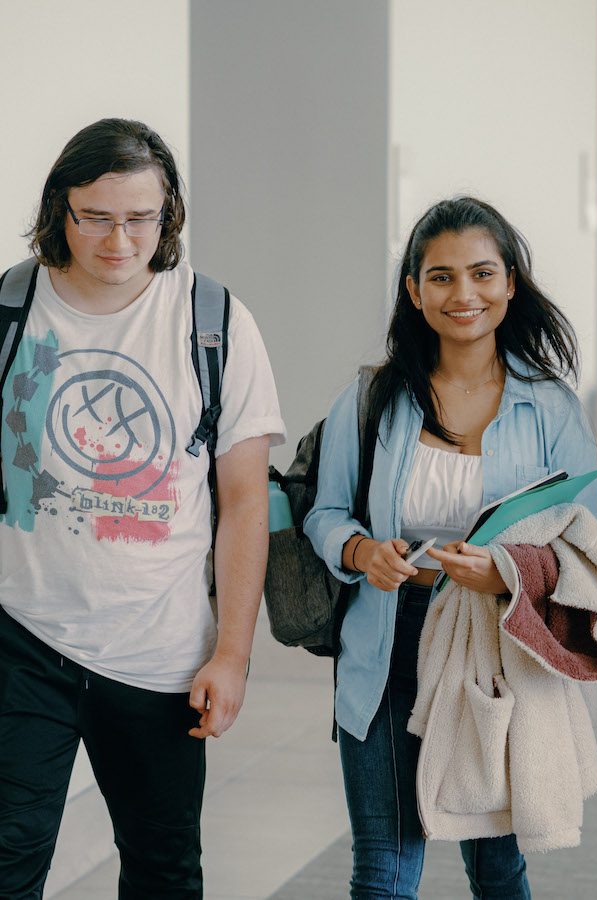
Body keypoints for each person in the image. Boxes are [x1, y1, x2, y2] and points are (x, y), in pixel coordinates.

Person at [0, 118, 286, 897]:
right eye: (96, 216)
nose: (119, 239)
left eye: (141, 218)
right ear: (61, 208)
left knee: (163, 872)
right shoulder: (11, 309)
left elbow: (243, 506)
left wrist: (232, 654)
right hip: (20, 636)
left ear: (169, 215)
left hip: (159, 651)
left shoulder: (214, 323)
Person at [305, 197, 597, 899]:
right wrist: (360, 552)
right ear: (414, 291)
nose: (463, 294)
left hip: (490, 649)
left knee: (496, 867)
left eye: (481, 274)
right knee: (383, 869)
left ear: (509, 283)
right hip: (386, 644)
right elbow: (323, 514)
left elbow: (588, 544)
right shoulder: (372, 397)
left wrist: (507, 572)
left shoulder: (551, 407)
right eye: (440, 278)